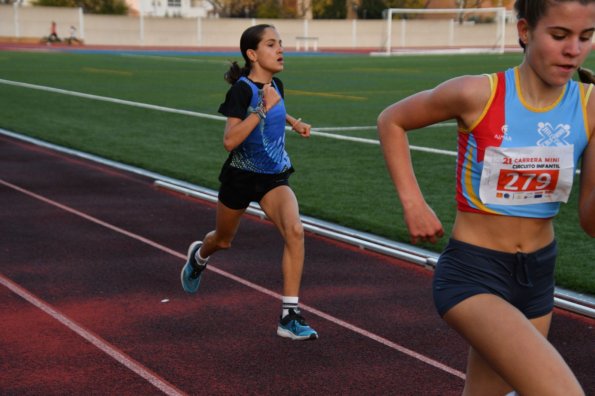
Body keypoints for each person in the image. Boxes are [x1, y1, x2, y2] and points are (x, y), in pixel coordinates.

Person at [377, 0, 594, 394]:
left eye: (586, 37)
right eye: (560, 36)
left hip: (538, 276)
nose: (574, 50)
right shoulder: (477, 93)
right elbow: (392, 120)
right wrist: (413, 203)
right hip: (474, 274)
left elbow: (591, 221)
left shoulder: (589, 107)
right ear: (525, 32)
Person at [180, 24, 318, 341]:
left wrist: (293, 121)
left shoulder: (277, 83)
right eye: (272, 44)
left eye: (280, 43)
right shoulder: (241, 90)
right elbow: (230, 141)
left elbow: (275, 108)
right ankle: (199, 256)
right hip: (241, 177)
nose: (280, 49)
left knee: (295, 230)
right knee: (223, 241)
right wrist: (261, 108)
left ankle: (289, 315)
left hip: (273, 176)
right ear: (253, 54)